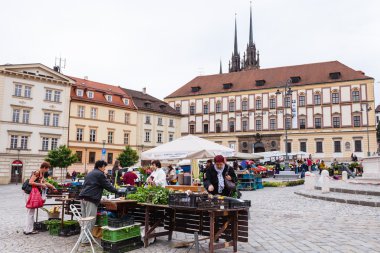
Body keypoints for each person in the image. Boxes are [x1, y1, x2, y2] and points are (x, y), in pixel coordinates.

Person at [79, 160, 119, 245]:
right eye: (104, 167)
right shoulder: (100, 174)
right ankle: (85, 241)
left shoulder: (90, 173)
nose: (105, 169)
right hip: (91, 199)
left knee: (85, 220)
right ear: (100, 166)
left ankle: (84, 238)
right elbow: (107, 186)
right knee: (90, 220)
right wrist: (117, 191)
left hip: (83, 197)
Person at [24, 162, 57, 235]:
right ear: (44, 167)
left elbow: (45, 182)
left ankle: (28, 228)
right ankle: (28, 230)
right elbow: (30, 182)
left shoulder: (41, 174)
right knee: (30, 212)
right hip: (29, 193)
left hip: (32, 193)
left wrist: (52, 186)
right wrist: (41, 184)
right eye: (47, 169)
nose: (47, 170)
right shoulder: (37, 172)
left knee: (30, 212)